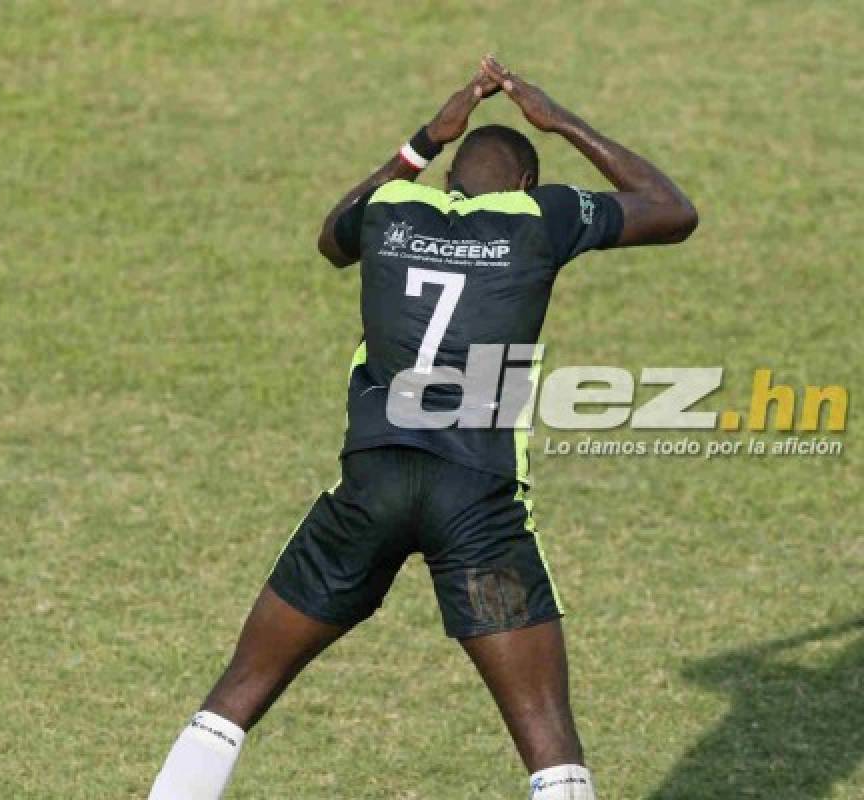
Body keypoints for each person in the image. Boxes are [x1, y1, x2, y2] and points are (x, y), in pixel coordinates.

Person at [148, 55, 698, 800]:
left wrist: (424, 140)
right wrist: (558, 119)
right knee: (547, 736)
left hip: (368, 491)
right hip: (475, 502)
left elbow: (330, 238)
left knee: (238, 694)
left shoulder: (391, 209)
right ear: (526, 186)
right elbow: (671, 208)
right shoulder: (541, 217)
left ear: (447, 185)